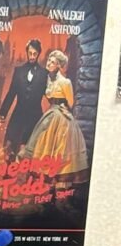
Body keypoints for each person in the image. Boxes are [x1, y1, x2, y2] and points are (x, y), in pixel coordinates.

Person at [24, 49, 88, 184]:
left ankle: (59, 187)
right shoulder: (48, 80)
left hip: (62, 118)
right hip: (50, 114)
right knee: (44, 144)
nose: (48, 63)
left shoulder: (65, 82)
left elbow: (70, 102)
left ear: (59, 65)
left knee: (59, 149)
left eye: (52, 62)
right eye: (48, 60)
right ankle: (46, 185)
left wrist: (62, 107)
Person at [0, 39, 48, 159]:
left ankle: (29, 176)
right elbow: (11, 94)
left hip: (35, 117)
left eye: (35, 54)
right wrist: (1, 115)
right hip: (18, 115)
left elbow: (49, 95)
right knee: (10, 148)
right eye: (30, 53)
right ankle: (8, 174)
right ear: (27, 52)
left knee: (31, 152)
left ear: (38, 53)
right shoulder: (19, 71)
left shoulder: (44, 74)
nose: (32, 57)